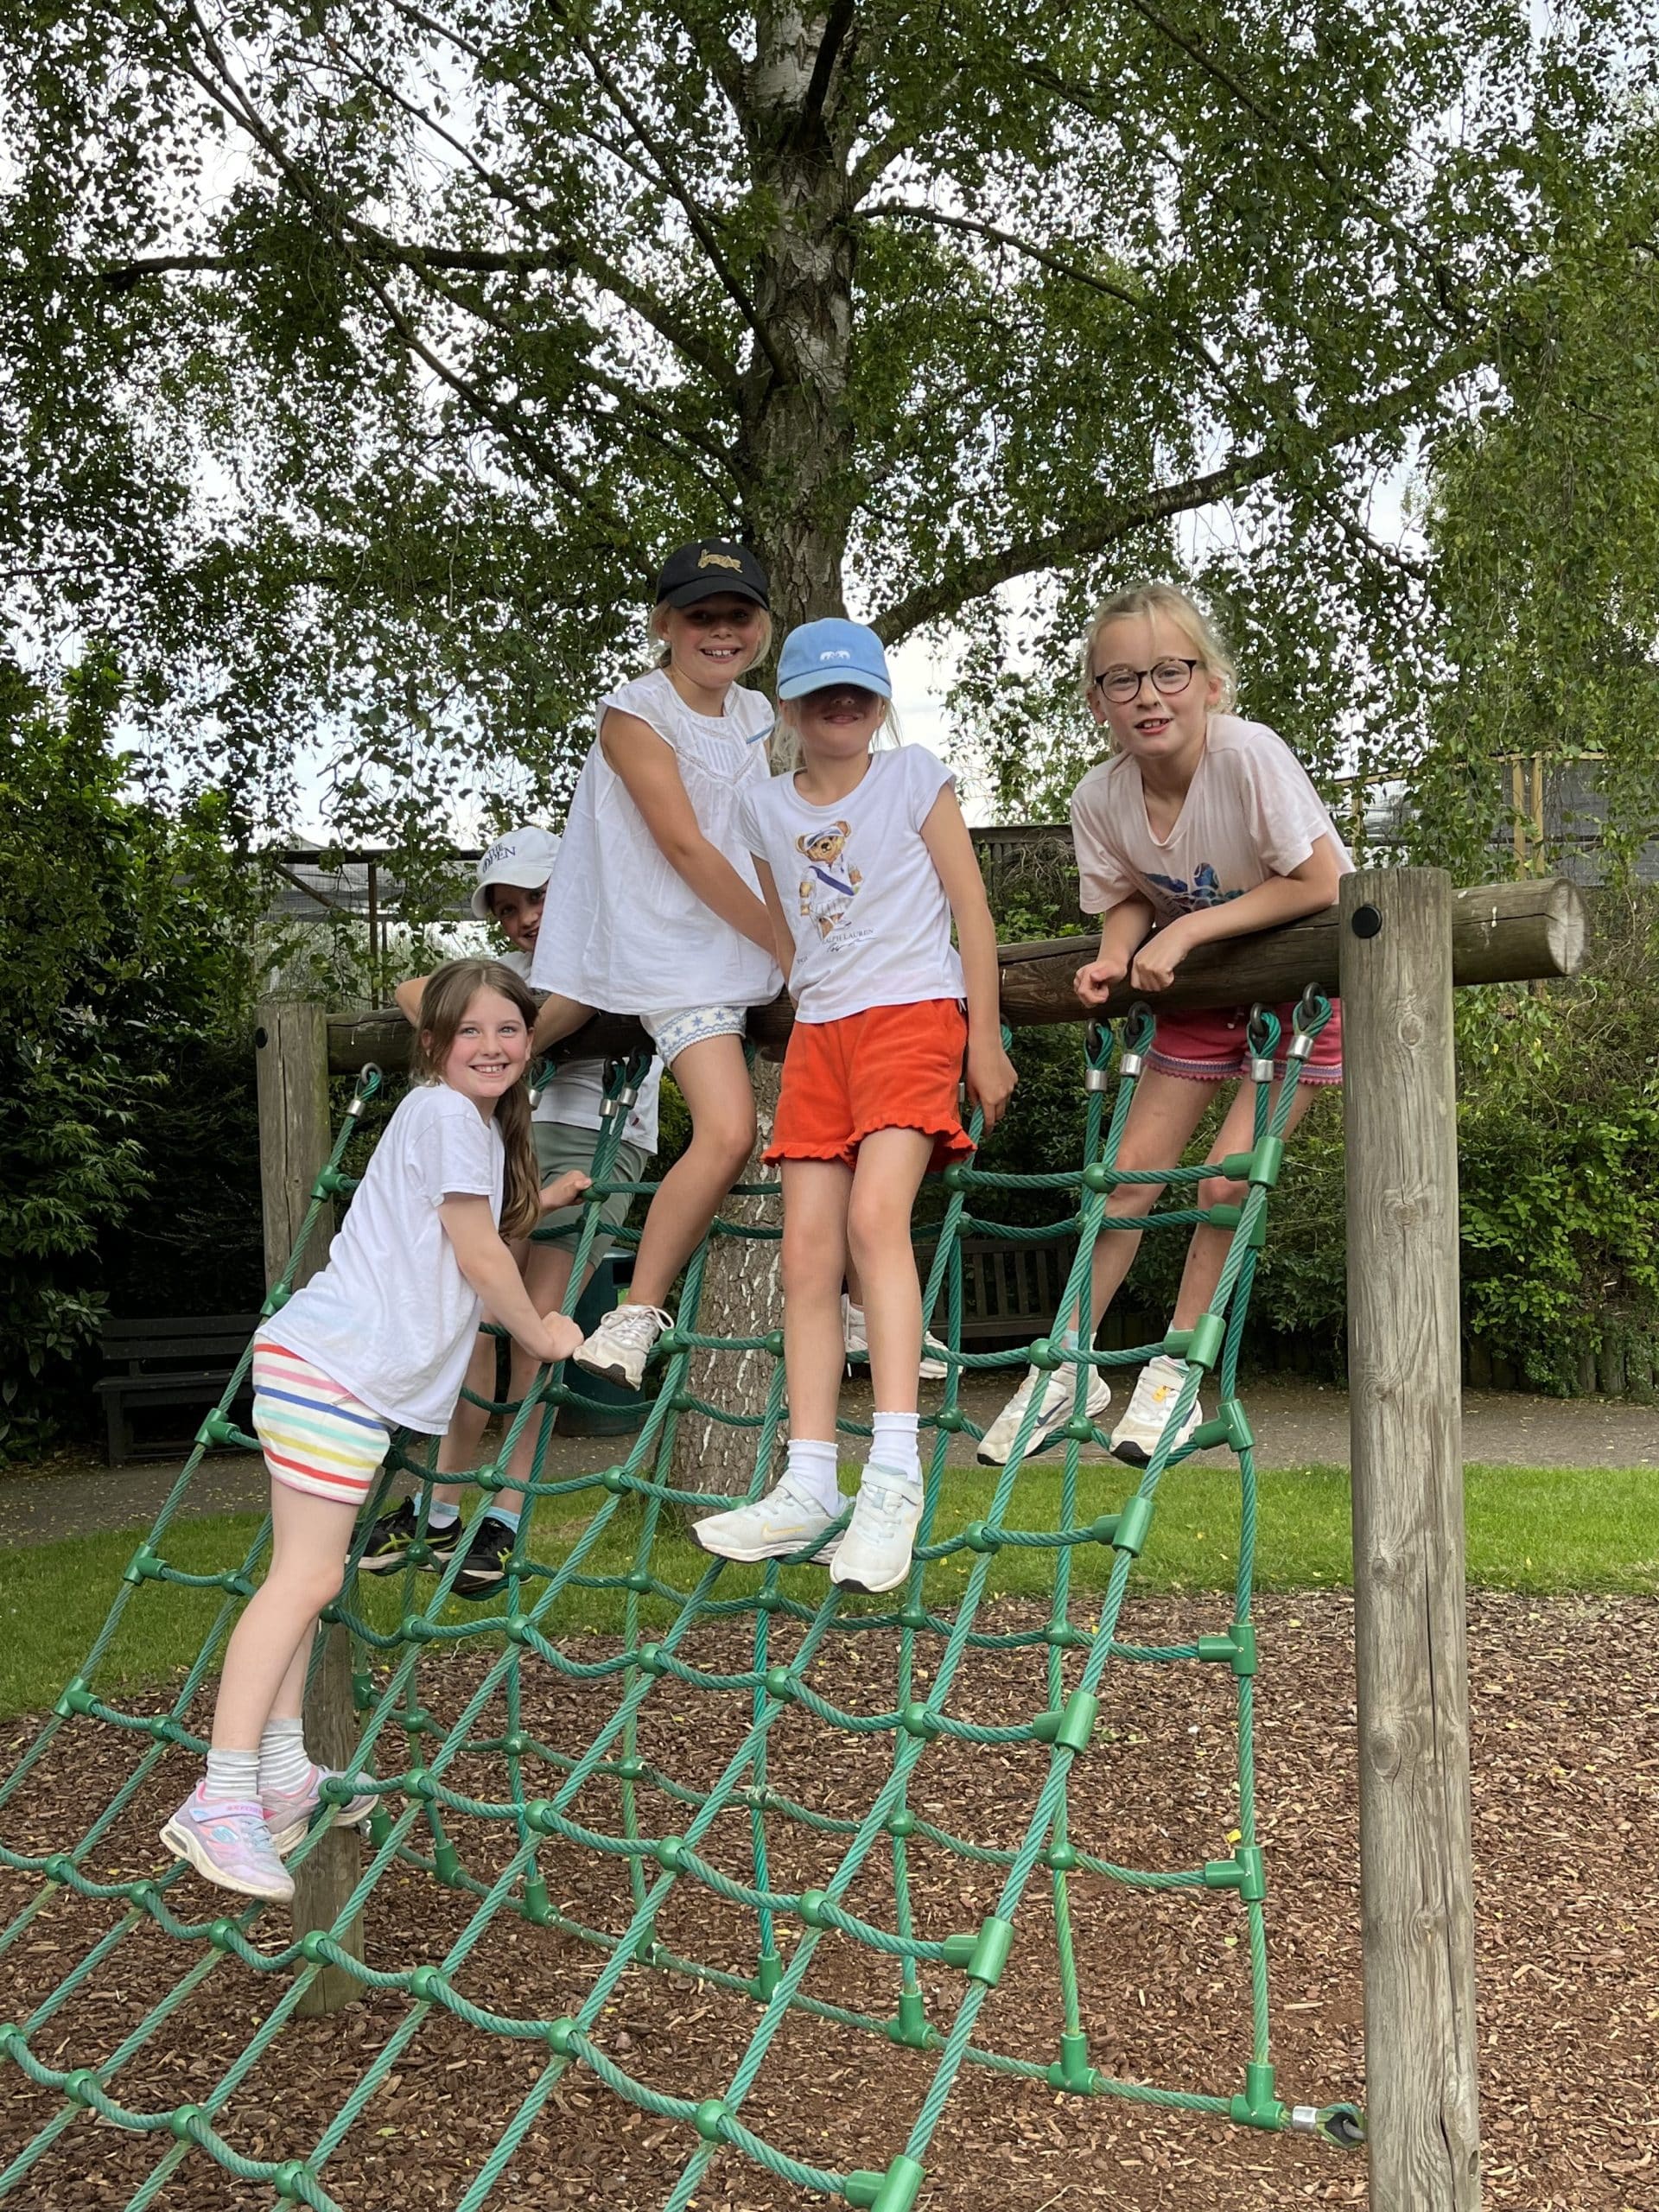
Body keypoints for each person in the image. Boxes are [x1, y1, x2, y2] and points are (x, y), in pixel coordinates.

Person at [160, 961, 585, 1901]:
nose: (491, 1046)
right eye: (468, 1031)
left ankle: (281, 1771)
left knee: (303, 1576)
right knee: (307, 1578)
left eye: (509, 1029)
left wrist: (542, 1205)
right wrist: (540, 1333)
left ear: (530, 1039)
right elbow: (480, 1257)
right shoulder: (446, 1114)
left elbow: (450, 1230)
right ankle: (220, 1797)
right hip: (335, 1371)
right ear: (433, 1045)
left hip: (329, 1368)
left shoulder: (461, 1125)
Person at [976, 582, 1350, 1471]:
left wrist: (1187, 931)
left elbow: (1322, 881)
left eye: (1170, 672)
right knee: (1126, 1180)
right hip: (1199, 1000)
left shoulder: (1248, 756)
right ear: (1097, 702)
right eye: (1123, 679)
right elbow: (1128, 897)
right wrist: (1116, 955)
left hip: (1300, 1003)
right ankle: (1068, 1365)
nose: (1148, 695)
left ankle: (1175, 1372)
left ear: (1211, 684)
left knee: (1224, 1182)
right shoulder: (1100, 798)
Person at [692, 619, 1016, 1593]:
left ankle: (894, 1477)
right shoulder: (762, 805)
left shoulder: (913, 777)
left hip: (913, 1014)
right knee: (804, 1253)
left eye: (859, 692)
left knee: (877, 1221)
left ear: (879, 704)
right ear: (789, 710)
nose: (841, 706)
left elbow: (971, 910)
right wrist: (800, 990)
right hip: (821, 1034)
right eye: (819, 693)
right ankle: (809, 1480)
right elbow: (785, 922)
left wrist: (984, 1037)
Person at [358, 829, 663, 1597]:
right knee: (480, 1318)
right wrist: (494, 1026)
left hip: (596, 1135)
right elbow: (411, 991)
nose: (525, 918)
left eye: (539, 897)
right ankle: (438, 1505)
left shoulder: (610, 943)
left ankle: (506, 1514)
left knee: (536, 1328)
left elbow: (580, 998)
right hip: (515, 1134)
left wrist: (503, 1038)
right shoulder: (514, 976)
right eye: (508, 908)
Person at [527, 540, 783, 1390]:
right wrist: (784, 942)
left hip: (736, 936)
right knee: (729, 1130)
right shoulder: (635, 713)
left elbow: (763, 832)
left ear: (762, 626)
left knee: (851, 1079)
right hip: (672, 946)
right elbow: (684, 845)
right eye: (701, 615)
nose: (722, 631)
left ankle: (857, 1289)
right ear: (664, 624)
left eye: (738, 614)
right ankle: (633, 1313)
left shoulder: (754, 714)